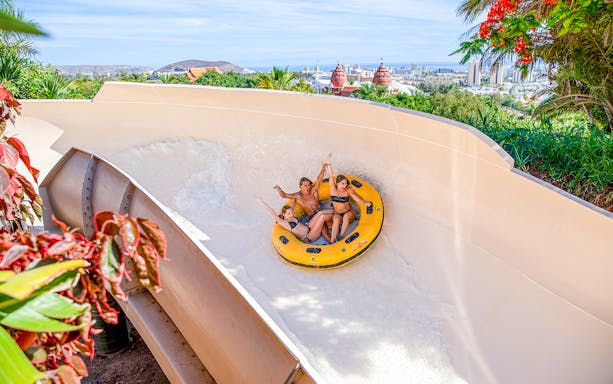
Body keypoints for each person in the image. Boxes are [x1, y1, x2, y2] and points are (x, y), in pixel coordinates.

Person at [273, 162, 333, 241]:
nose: (307, 187)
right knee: (324, 229)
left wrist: (323, 168)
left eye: (308, 185)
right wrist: (279, 189)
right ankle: (332, 243)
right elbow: (284, 195)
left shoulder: (313, 191)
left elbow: (319, 179)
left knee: (333, 222)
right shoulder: (298, 196)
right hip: (312, 216)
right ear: (300, 186)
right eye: (305, 185)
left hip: (321, 209)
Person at [326, 154, 372, 242]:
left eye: (346, 183)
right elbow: (331, 176)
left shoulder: (348, 191)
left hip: (348, 213)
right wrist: (329, 161)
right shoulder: (333, 189)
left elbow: (355, 197)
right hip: (338, 214)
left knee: (346, 217)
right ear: (338, 183)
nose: (345, 185)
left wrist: (364, 203)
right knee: (335, 220)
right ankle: (332, 241)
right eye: (342, 183)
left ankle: (341, 236)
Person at [256, 197, 330, 243]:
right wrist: (260, 202)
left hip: (308, 227)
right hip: (308, 237)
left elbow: (293, 206)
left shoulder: (291, 216)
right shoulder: (284, 223)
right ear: (284, 214)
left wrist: (295, 198)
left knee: (320, 213)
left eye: (291, 213)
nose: (291, 215)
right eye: (288, 214)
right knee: (322, 217)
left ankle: (336, 212)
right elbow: (271, 211)